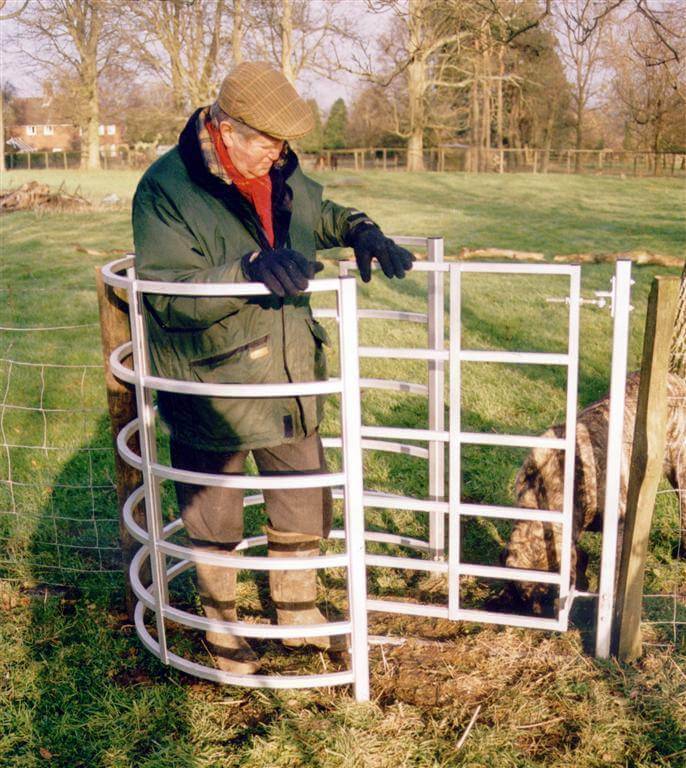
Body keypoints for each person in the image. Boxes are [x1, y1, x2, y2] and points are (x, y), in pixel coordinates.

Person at [132, 61, 414, 675]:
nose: (277, 152)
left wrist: (361, 229)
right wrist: (246, 270)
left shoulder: (279, 171)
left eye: (283, 141)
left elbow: (318, 211)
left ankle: (297, 613)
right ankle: (222, 628)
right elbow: (165, 289)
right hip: (214, 380)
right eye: (265, 139)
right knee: (215, 512)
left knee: (301, 497)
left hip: (291, 372)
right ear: (224, 128)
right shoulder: (168, 189)